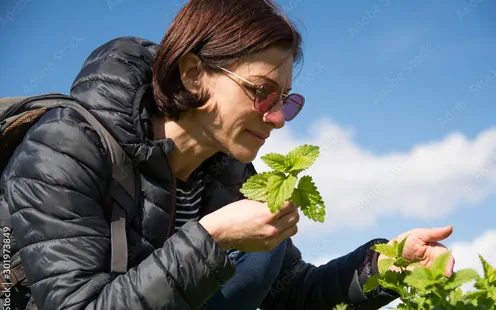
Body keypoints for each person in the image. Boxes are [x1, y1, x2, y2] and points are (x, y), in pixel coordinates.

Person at [0, 0, 455, 309]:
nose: (277, 118)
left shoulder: (229, 173)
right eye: (262, 93)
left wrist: (387, 266)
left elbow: (292, 293)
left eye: (288, 101)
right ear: (194, 74)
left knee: (265, 255)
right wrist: (211, 238)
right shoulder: (65, 147)